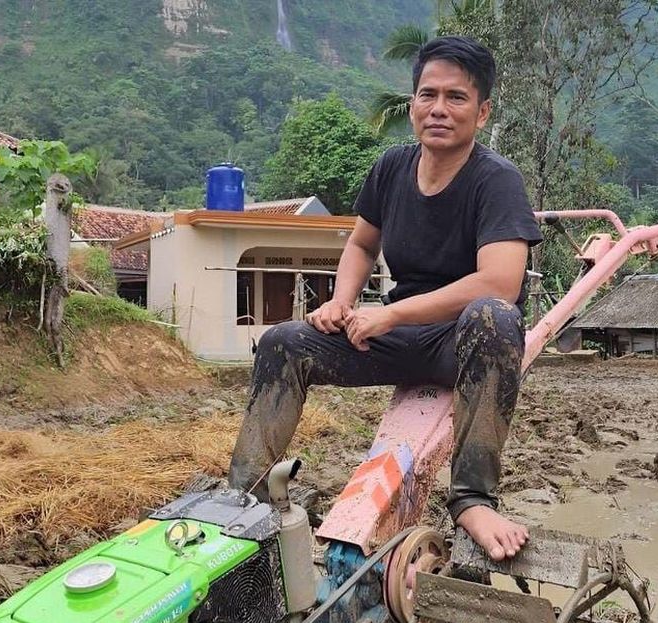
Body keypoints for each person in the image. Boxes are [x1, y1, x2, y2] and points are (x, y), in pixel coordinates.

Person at [227, 36, 543, 562]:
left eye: (456, 97)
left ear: (482, 112)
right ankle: (245, 494)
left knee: (494, 317)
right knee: (284, 342)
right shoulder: (392, 168)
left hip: (463, 344)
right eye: (428, 94)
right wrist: (341, 302)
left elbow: (499, 282)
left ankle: (472, 498)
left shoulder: (497, 181)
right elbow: (360, 242)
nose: (439, 109)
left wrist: (389, 313)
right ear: (413, 103)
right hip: (397, 337)